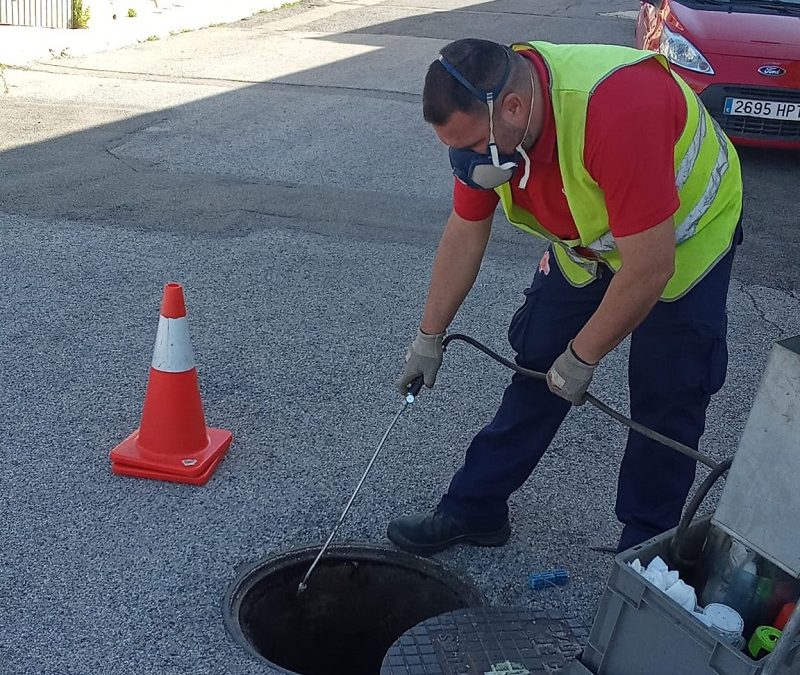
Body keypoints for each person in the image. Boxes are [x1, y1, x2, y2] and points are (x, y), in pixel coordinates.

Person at [389, 38, 743, 555]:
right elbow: (465, 231)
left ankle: (644, 552)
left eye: (468, 146)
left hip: (682, 244)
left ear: (513, 107)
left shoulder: (618, 108)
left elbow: (649, 268)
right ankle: (474, 508)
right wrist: (428, 336)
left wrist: (583, 355)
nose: (462, 161)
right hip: (591, 246)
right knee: (537, 366)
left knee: (667, 393)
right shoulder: (491, 126)